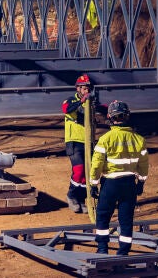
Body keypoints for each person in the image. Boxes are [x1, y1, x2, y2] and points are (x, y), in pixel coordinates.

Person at [90, 100, 149, 256]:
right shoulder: (139, 140)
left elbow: (96, 165)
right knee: (126, 219)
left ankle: (102, 249)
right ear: (127, 116)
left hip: (110, 184)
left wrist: (94, 184)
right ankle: (123, 252)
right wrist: (141, 182)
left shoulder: (105, 139)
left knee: (102, 216)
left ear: (110, 117)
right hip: (129, 184)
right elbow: (143, 164)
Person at [61, 74, 107, 213]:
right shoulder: (71, 101)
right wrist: (82, 101)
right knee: (79, 170)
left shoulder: (90, 103)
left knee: (87, 173)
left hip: (88, 141)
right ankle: (72, 195)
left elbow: (104, 110)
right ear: (78, 88)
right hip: (74, 141)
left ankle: (82, 199)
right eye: (84, 88)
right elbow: (66, 109)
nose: (86, 91)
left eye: (88, 88)